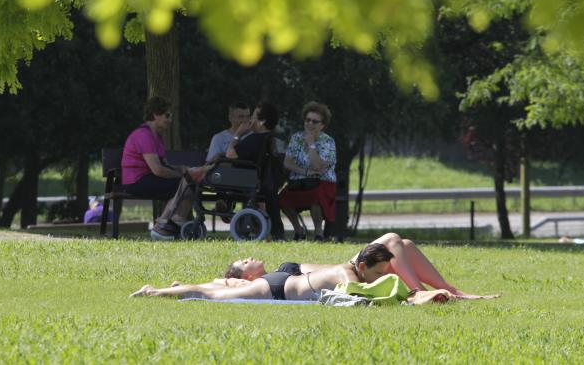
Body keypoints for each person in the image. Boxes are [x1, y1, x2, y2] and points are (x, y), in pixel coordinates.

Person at [214, 233, 497, 300]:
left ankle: (449, 290)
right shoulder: (261, 285)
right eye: (243, 262)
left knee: (405, 244)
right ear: (242, 275)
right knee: (393, 240)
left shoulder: (276, 272)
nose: (248, 257)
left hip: (351, 266)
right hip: (352, 270)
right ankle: (417, 292)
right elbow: (218, 287)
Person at [150, 101, 285, 240]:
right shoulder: (267, 139)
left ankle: (167, 222)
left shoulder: (255, 138)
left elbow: (231, 154)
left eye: (254, 116)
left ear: (262, 121)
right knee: (191, 175)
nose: (249, 120)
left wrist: (238, 134)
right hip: (244, 176)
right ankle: (174, 220)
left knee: (188, 176)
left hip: (236, 177)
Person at [131, 243, 395, 301]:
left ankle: (176, 287)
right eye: (380, 273)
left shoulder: (350, 270)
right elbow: (361, 293)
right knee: (212, 297)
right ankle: (153, 292)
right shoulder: (347, 273)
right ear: (362, 267)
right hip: (276, 288)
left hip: (282, 284)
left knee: (218, 291)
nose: (382, 278)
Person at [120, 97, 203, 239]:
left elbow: (164, 164)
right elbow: (157, 170)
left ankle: (172, 226)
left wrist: (182, 170)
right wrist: (181, 176)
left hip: (147, 178)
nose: (170, 120)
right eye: (167, 115)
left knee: (189, 184)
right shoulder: (144, 135)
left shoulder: (157, 137)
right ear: (155, 114)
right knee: (185, 184)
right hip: (136, 182)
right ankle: (162, 226)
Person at [279, 102, 337, 241]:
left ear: (322, 125)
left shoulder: (328, 141)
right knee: (283, 198)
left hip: (323, 181)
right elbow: (287, 162)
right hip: (299, 180)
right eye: (308, 120)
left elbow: (318, 167)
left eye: (315, 121)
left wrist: (311, 144)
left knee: (316, 196)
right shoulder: (296, 138)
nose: (310, 123)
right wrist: (305, 172)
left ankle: (318, 233)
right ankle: (299, 231)